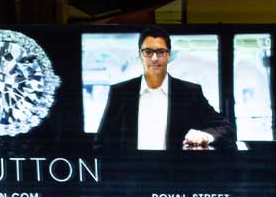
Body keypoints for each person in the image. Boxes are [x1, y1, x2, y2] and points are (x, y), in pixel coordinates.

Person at [93, 26, 232, 152]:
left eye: (160, 52)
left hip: (174, 177)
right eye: (148, 52)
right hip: (133, 177)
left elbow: (226, 128)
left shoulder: (189, 93)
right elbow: (100, 144)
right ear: (140, 55)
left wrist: (205, 136)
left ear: (168, 55)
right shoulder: (121, 92)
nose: (154, 58)